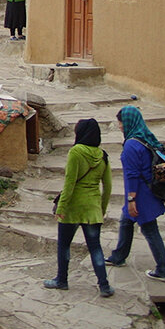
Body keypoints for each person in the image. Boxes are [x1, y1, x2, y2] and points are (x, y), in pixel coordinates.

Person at [44, 118, 114, 296]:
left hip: (73, 208)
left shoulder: (75, 152)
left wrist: (61, 208)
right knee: (95, 247)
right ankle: (104, 285)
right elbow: (108, 187)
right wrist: (102, 209)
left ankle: (62, 280)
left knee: (64, 245)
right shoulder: (103, 155)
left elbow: (70, 183)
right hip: (93, 208)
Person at [105, 105, 165, 282]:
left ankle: (163, 269)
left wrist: (131, 199)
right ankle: (118, 256)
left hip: (140, 195)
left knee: (150, 230)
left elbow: (132, 175)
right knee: (125, 222)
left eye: (120, 122)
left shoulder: (131, 145)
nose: (120, 126)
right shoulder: (145, 138)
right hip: (147, 190)